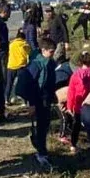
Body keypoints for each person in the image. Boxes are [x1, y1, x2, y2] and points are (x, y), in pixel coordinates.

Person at [23, 39, 56, 168]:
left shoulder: (51, 62)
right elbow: (31, 85)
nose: (52, 54)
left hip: (47, 99)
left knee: (45, 125)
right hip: (38, 99)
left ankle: (43, 150)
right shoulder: (36, 65)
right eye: (51, 52)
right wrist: (31, 104)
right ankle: (41, 152)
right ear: (43, 50)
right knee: (41, 126)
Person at [65, 53, 90, 154]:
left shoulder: (75, 76)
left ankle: (73, 145)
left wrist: (69, 106)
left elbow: (71, 92)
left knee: (76, 126)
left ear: (80, 63)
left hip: (77, 105)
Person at [6, 30, 30, 104]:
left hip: (11, 66)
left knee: (9, 83)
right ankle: (24, 101)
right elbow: (28, 53)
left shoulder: (11, 44)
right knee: (22, 84)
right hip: (21, 66)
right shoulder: (25, 44)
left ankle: (6, 99)